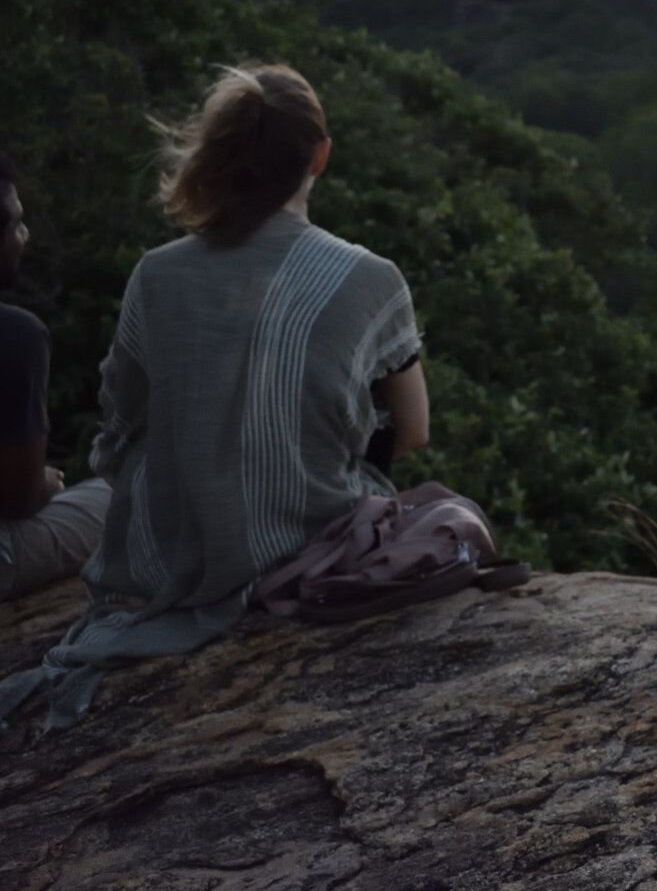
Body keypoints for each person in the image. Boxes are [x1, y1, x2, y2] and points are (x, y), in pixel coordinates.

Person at [0, 66, 429, 728]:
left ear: (218, 155)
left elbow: (118, 432)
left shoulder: (158, 273)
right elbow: (413, 430)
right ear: (320, 156)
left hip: (169, 551)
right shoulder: (372, 278)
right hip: (310, 539)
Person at [0, 154, 112, 600]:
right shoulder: (15, 335)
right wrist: (44, 483)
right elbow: (20, 501)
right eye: (15, 224)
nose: (24, 236)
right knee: (124, 497)